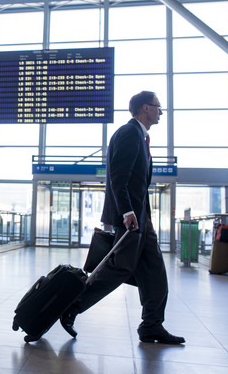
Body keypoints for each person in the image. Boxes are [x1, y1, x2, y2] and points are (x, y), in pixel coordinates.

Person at [60, 91, 185, 344]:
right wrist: (128, 212)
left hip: (140, 217)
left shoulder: (140, 135)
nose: (161, 112)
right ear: (145, 108)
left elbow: (138, 182)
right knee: (119, 268)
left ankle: (152, 325)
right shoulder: (129, 133)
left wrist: (140, 214)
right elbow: (119, 176)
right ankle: (71, 306)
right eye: (158, 107)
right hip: (130, 218)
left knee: (155, 272)